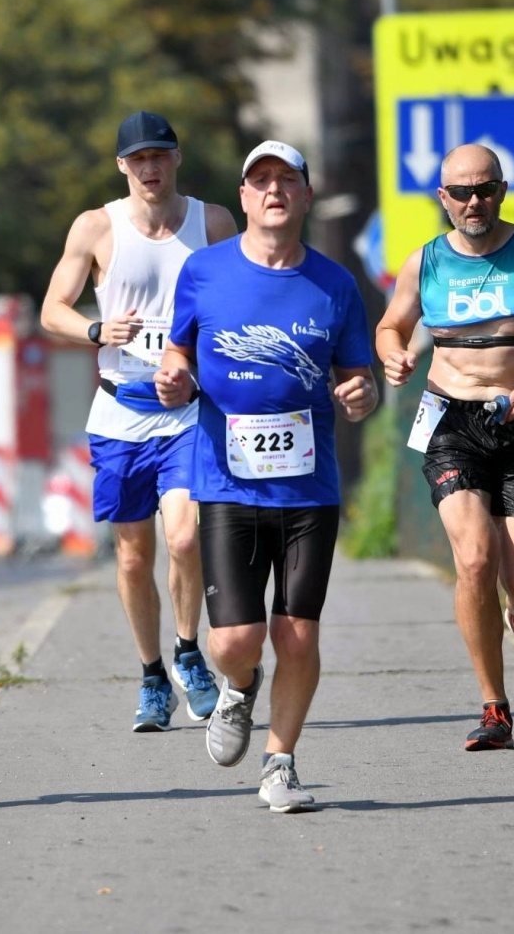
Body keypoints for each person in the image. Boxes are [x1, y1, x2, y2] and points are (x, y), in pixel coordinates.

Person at [155, 139, 377, 812]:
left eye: (287, 179)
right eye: (261, 180)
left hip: (310, 487)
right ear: (245, 198)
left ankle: (280, 762)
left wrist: (361, 395)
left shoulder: (335, 284)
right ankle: (237, 685)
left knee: (298, 632)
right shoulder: (204, 270)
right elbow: (179, 349)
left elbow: (357, 374)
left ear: (306, 196)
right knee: (234, 640)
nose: (274, 189)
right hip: (228, 480)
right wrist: (173, 377)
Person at [375, 143, 514, 751]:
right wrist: (392, 352)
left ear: (501, 190)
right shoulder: (425, 262)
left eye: (485, 189)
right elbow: (391, 324)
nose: (474, 202)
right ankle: (494, 708)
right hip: (450, 422)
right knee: (474, 559)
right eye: (461, 193)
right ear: (442, 199)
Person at [41, 111, 239, 732]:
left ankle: (188, 652)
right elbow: (52, 311)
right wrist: (97, 330)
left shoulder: (213, 223)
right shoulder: (97, 227)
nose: (149, 168)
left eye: (160, 156)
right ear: (122, 166)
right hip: (121, 409)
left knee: (184, 538)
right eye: (138, 159)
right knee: (132, 558)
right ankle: (151, 673)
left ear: (176, 159)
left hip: (188, 410)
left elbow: (238, 301)